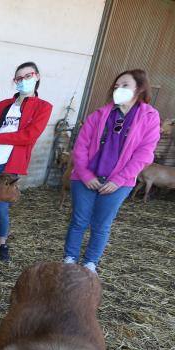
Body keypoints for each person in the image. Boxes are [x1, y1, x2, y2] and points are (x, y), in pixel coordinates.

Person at [63, 69, 160, 272]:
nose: (119, 89)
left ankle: (90, 263)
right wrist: (85, 174)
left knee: (101, 224)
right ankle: (69, 260)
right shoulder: (99, 115)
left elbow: (145, 153)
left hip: (119, 182)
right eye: (116, 86)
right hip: (85, 178)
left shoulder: (149, 117)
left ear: (139, 88)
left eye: (125, 85)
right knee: (79, 220)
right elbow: (81, 146)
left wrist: (119, 179)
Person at [0, 61, 53, 262]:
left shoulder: (43, 107)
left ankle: (1, 243)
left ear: (37, 76)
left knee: (2, 205)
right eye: (18, 78)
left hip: (8, 166)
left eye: (27, 76)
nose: (23, 81)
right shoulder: (3, 104)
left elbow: (29, 135)